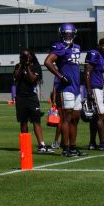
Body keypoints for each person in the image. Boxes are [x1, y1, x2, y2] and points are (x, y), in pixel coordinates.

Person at [44, 23, 84, 157]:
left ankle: (73, 147)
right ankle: (65, 148)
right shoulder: (59, 46)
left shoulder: (77, 47)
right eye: (66, 34)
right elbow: (48, 62)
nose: (68, 36)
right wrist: (60, 76)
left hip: (77, 88)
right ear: (61, 34)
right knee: (66, 118)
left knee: (75, 119)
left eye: (70, 34)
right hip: (66, 88)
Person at [13, 49, 51, 153]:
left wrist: (28, 66)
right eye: (23, 56)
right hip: (20, 97)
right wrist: (21, 65)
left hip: (32, 97)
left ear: (31, 56)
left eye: (27, 56)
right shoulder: (18, 66)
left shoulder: (36, 66)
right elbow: (16, 77)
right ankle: (25, 146)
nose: (25, 58)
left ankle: (41, 145)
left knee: (36, 121)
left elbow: (32, 79)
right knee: (23, 122)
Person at [84, 37, 104, 150]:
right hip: (94, 88)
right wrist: (89, 91)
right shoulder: (94, 54)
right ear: (99, 45)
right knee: (101, 115)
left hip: (99, 87)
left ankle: (92, 142)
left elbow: (96, 73)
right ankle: (102, 143)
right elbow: (87, 72)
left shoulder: (101, 57)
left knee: (96, 117)